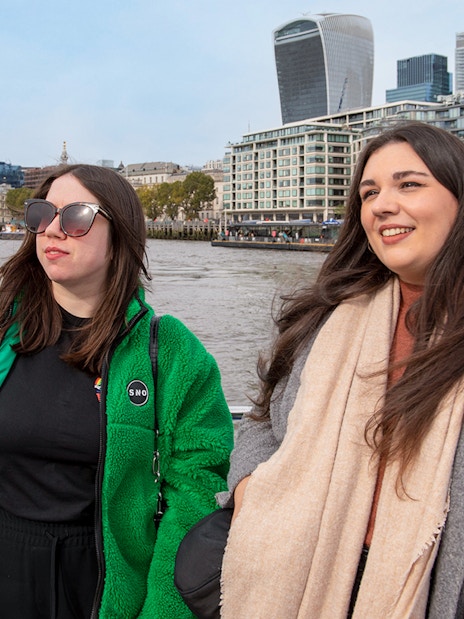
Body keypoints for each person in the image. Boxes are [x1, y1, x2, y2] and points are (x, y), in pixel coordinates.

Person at [217, 121, 464, 619]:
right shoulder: (326, 317)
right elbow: (263, 418)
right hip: (302, 576)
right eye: (369, 192)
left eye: (408, 184)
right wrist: (249, 491)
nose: (381, 204)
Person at [0, 164, 234, 618]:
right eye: (43, 213)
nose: (52, 229)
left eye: (76, 216)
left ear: (120, 236)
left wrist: (162, 610)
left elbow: (195, 495)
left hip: (103, 585)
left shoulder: (171, 354)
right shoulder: (4, 328)